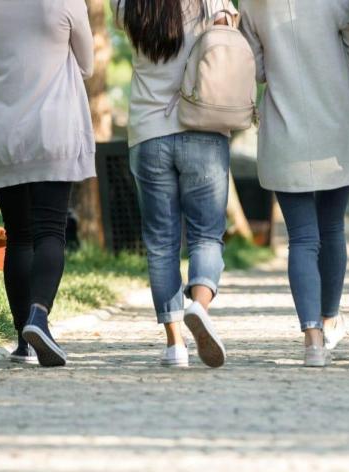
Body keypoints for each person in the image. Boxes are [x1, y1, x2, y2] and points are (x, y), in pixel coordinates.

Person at [240, 0, 349, 367]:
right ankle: (330, 319)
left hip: (285, 129)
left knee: (301, 237)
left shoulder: (253, 5)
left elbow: (258, 69)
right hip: (336, 124)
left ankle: (312, 338)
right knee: (331, 229)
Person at [0, 0, 96, 368]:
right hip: (53, 130)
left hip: (1, 129)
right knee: (50, 231)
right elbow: (87, 64)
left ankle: (22, 342)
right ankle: (39, 317)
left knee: (18, 235)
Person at [114, 0, 237, 369]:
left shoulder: (124, 5)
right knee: (206, 235)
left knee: (161, 243)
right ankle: (199, 305)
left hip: (148, 133)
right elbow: (228, 41)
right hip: (203, 126)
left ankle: (174, 345)